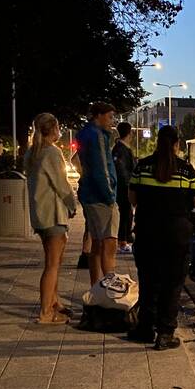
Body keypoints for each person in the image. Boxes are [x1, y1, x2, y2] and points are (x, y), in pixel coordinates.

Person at [129, 125, 195, 350]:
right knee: (172, 285)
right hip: (176, 236)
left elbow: (132, 199)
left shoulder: (142, 166)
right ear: (176, 144)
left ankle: (145, 329)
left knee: (149, 282)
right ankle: (165, 334)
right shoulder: (185, 170)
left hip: (146, 234)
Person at [24, 113, 76, 324]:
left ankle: (55, 302)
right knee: (52, 264)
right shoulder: (52, 153)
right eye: (58, 127)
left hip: (39, 213)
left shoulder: (31, 153)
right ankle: (46, 312)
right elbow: (61, 184)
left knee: (52, 261)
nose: (59, 131)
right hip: (53, 214)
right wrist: (72, 205)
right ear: (53, 129)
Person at [77, 102, 119, 285]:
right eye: (110, 116)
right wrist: (110, 197)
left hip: (89, 195)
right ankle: (109, 289)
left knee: (96, 244)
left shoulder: (85, 133)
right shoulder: (98, 136)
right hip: (101, 197)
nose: (112, 121)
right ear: (99, 116)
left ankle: (96, 287)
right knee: (109, 244)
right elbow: (101, 168)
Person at [112, 121, 136, 254]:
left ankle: (124, 239)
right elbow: (121, 170)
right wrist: (129, 184)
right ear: (129, 133)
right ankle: (122, 241)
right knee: (125, 213)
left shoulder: (121, 148)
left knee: (127, 213)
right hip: (124, 188)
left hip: (125, 187)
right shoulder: (121, 149)